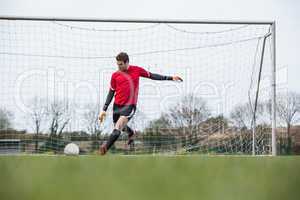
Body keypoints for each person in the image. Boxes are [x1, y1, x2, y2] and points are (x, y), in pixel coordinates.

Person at [98, 52, 183, 155]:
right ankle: (131, 133)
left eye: (121, 64)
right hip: (117, 105)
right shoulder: (115, 75)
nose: (119, 66)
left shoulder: (137, 70)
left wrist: (170, 78)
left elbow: (152, 75)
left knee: (118, 127)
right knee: (117, 125)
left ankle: (105, 148)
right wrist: (104, 109)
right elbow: (111, 92)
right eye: (117, 64)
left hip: (129, 106)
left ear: (127, 62)